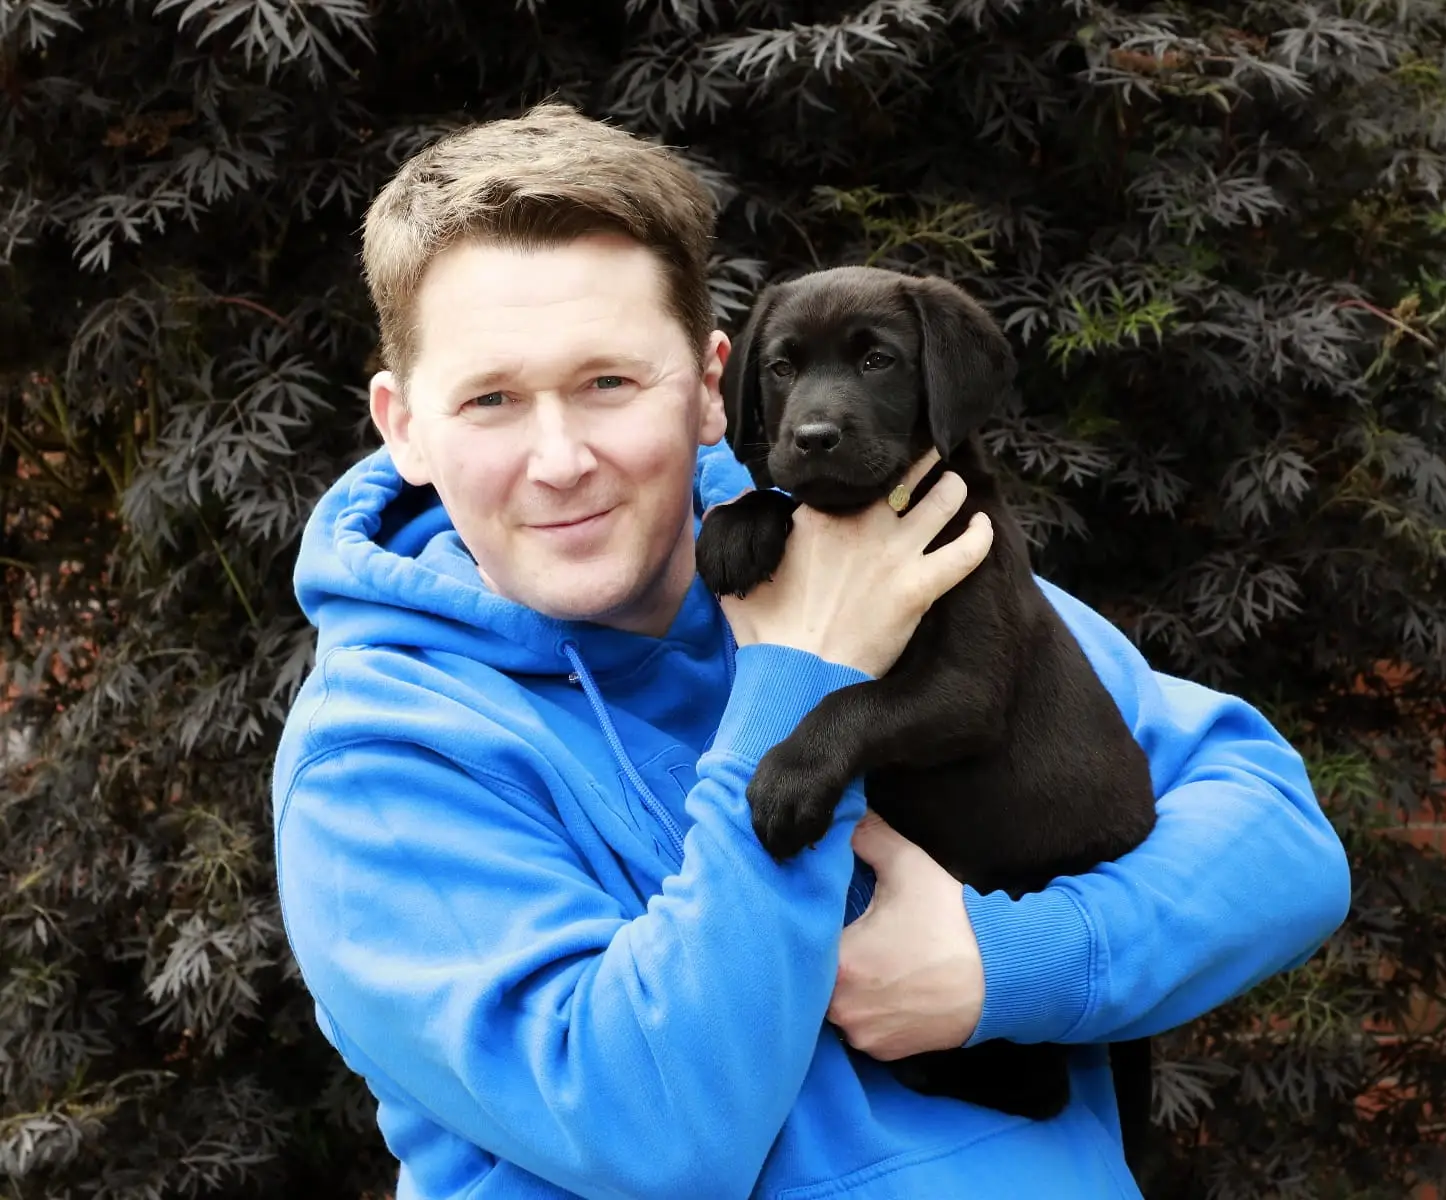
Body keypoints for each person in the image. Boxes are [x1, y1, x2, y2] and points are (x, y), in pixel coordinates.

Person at [272, 101, 1351, 1200]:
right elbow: (649, 1131)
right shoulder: (382, 756)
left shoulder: (880, 548)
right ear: (404, 425)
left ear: (707, 388)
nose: (561, 460)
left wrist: (1007, 965)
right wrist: (801, 679)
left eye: (609, 383)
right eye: (492, 398)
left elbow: (1280, 844)